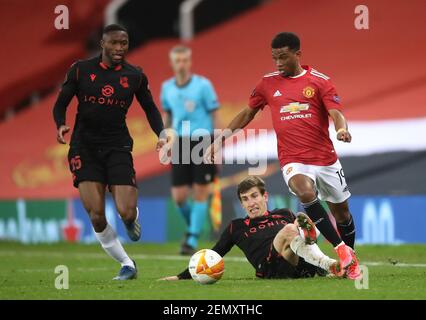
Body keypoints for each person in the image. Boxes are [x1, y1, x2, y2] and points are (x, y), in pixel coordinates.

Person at [205, 32, 360, 279]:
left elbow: (336, 112)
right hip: (292, 158)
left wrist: (342, 129)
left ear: (298, 55)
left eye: (283, 57)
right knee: (305, 191)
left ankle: (350, 258)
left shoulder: (319, 82)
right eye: (274, 58)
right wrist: (221, 138)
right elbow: (247, 113)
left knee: (342, 213)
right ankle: (341, 250)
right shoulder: (267, 84)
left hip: (325, 158)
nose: (278, 63)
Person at [52, 24, 166, 280]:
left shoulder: (135, 75)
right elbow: (61, 104)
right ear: (102, 44)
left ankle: (130, 219)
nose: (119, 48)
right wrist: (60, 125)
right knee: (97, 215)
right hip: (84, 147)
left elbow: (150, 107)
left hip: (118, 147)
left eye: (123, 43)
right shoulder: (80, 70)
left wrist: (161, 133)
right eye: (114, 43)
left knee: (125, 211)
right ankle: (127, 264)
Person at [160, 176, 343, 281]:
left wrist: (300, 231)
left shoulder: (284, 212)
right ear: (241, 203)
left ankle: (322, 264)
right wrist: (180, 277)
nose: (251, 203)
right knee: (292, 228)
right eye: (245, 199)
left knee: (297, 226)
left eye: (254, 196)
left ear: (265, 197)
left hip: (298, 263)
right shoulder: (236, 227)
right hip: (269, 269)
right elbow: (213, 254)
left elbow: (299, 236)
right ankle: (327, 264)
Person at [160, 45, 220, 255]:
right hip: (179, 142)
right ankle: (196, 225)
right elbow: (167, 115)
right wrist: (164, 136)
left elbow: (214, 114)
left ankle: (192, 239)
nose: (182, 64)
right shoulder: (167, 87)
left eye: (185, 60)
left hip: (203, 140)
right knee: (179, 197)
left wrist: (217, 142)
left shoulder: (203, 85)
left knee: (200, 192)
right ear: (172, 63)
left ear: (190, 62)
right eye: (178, 61)